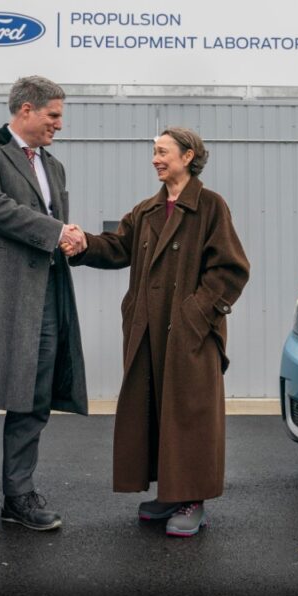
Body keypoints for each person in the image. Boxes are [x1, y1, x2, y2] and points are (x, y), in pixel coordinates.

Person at [63, 127, 249, 537]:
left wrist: (195, 315)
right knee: (155, 410)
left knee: (189, 414)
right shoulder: (147, 210)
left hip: (190, 333)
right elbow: (116, 247)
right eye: (154, 152)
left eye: (163, 152)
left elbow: (231, 269)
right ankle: (169, 492)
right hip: (149, 328)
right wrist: (83, 245)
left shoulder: (210, 207)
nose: (155, 159)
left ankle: (192, 499)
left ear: (188, 156)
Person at [0, 75, 88, 543]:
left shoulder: (56, 166)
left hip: (43, 293)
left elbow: (50, 224)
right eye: (53, 116)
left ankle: (19, 496)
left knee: (35, 400)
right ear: (25, 110)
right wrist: (56, 231)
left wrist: (70, 237)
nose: (58, 125)